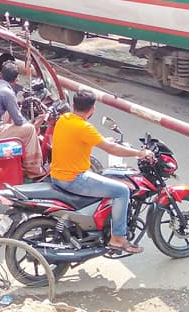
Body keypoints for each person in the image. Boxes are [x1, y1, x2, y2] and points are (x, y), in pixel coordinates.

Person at [50, 89, 155, 254]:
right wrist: (139, 153)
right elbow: (112, 150)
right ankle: (118, 238)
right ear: (92, 109)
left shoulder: (65, 119)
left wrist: (104, 140)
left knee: (105, 177)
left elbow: (82, 140)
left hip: (57, 176)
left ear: (73, 105)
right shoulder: (84, 127)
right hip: (73, 179)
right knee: (121, 190)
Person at [0, 62, 45, 179]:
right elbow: (19, 122)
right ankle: (33, 171)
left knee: (7, 114)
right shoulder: (7, 93)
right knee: (30, 130)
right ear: (16, 80)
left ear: (0, 74)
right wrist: (35, 122)